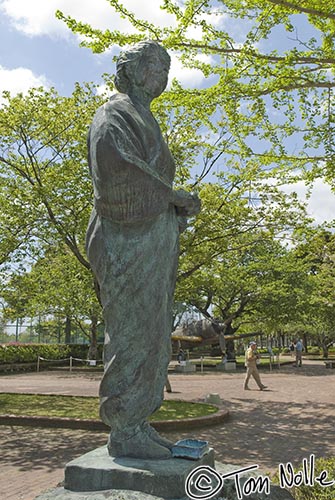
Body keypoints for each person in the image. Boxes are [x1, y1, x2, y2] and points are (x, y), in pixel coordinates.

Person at [86, 40, 200, 459]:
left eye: (167, 68)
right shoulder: (112, 114)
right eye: (155, 66)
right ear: (132, 69)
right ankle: (124, 425)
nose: (163, 76)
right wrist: (172, 195)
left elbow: (152, 176)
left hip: (151, 239)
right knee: (132, 331)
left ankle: (137, 420)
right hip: (125, 239)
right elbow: (119, 172)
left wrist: (176, 202)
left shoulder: (145, 117)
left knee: (153, 330)